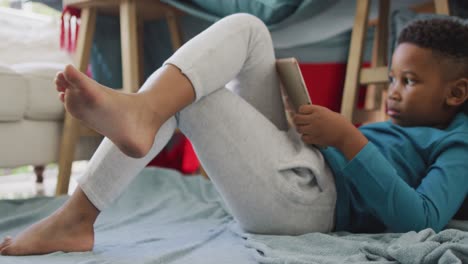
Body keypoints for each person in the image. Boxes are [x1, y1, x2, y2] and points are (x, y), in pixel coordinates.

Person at [1, 13, 467, 256]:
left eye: (409, 81)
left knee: (188, 95)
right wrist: (306, 130)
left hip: (312, 205)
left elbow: (419, 217)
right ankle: (139, 116)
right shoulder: (406, 129)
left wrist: (347, 139)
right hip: (305, 168)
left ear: (456, 92)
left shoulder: (458, 144)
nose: (394, 92)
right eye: (393, 79)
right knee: (247, 31)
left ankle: (78, 214)